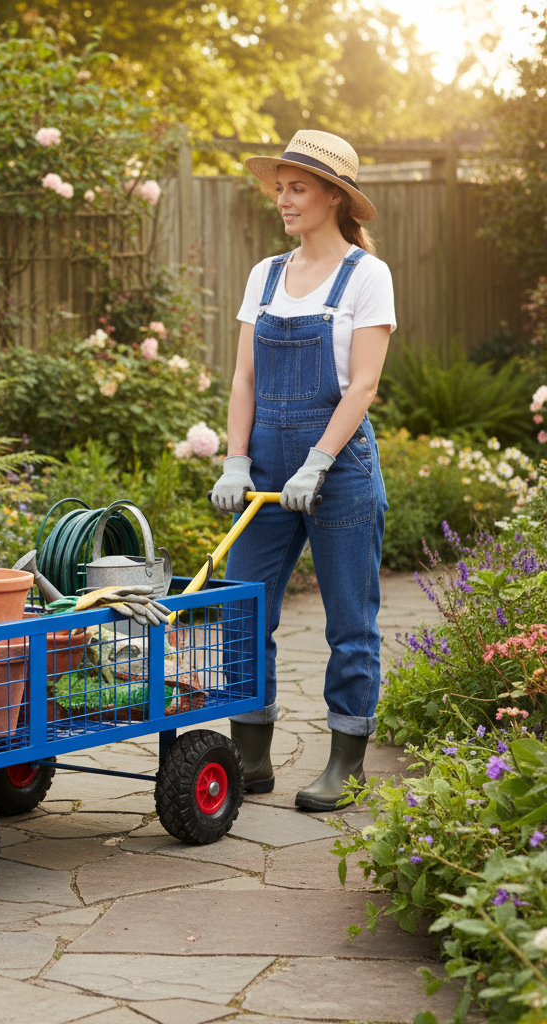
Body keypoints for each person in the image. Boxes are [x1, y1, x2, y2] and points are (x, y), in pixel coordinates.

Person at [211, 130, 395, 812]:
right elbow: (243, 377)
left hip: (338, 469)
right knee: (242, 612)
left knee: (350, 621)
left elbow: (363, 386)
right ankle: (252, 758)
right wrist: (236, 458)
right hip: (263, 470)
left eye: (298, 188)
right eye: (280, 187)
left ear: (333, 197)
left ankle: (345, 763)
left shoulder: (366, 276)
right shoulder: (264, 274)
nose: (283, 200)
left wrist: (318, 460)